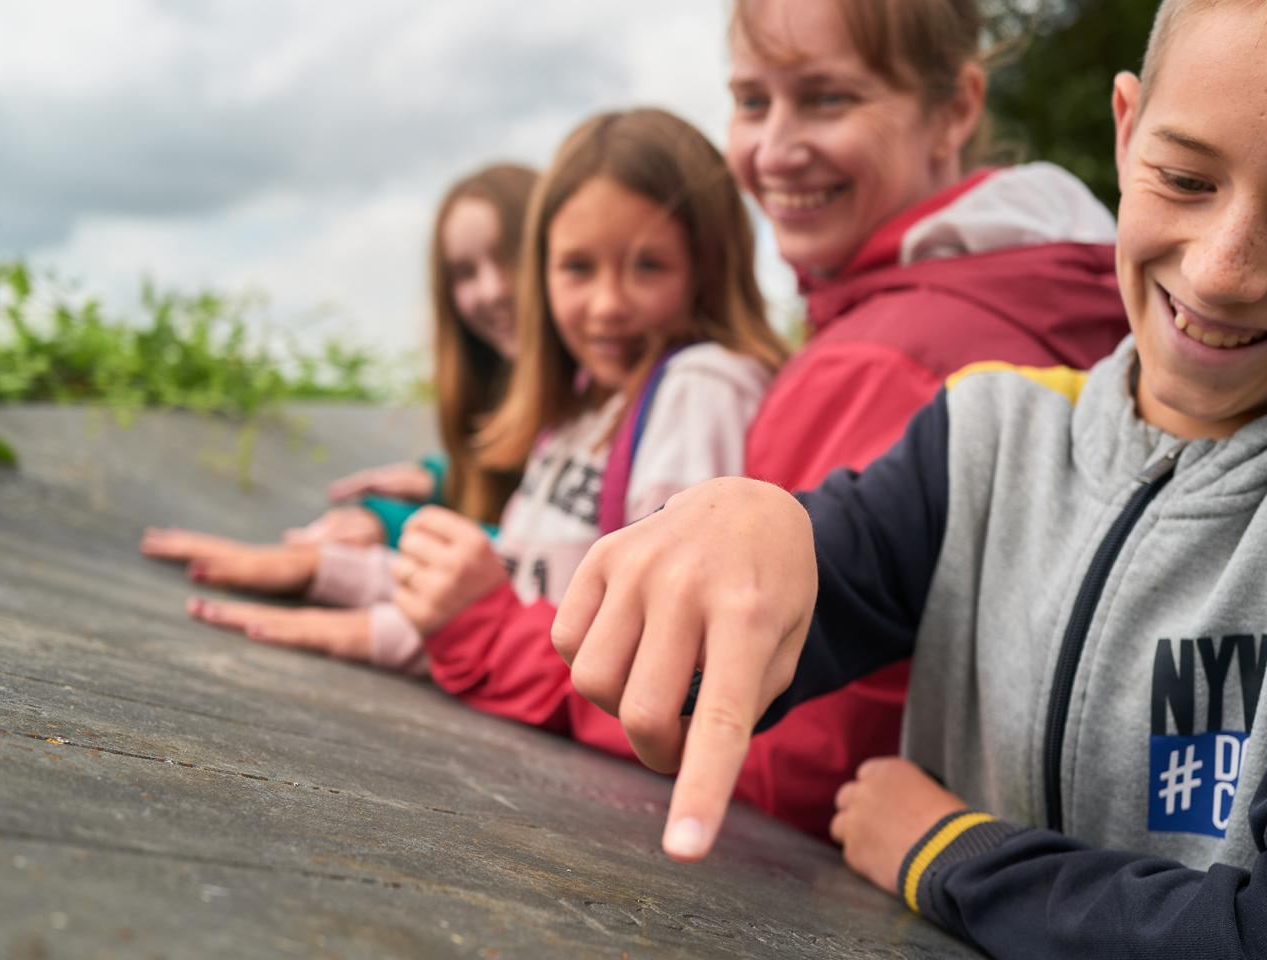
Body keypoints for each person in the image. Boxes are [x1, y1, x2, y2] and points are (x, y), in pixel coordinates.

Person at [551, 0, 1267, 955]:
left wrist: (946, 853)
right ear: (1125, 137)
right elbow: (731, 652)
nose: (1220, 270)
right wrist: (732, 535)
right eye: (1184, 176)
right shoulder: (986, 427)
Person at [415, 0, 1131, 840]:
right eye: (753, 101)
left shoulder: (885, 358)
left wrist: (487, 631)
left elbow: (785, 746)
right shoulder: (1020, 288)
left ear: (955, 110)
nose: (774, 150)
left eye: (827, 98)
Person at [202, 109, 788, 686]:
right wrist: (329, 570)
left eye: (649, 266)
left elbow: (646, 648)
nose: (607, 304)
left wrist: (368, 626)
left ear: (707, 266)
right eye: (578, 268)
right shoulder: (582, 403)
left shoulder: (699, 389)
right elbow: (519, 583)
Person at [140, 163, 533, 668]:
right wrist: (439, 479)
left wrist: (393, 530)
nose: (492, 290)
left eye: (511, 259)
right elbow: (518, 480)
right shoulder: (500, 386)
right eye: (465, 272)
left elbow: (548, 553)